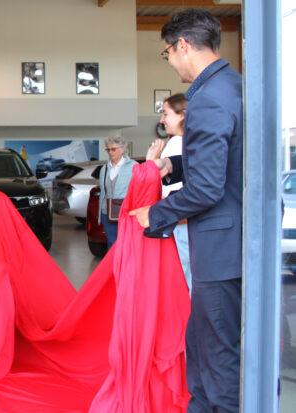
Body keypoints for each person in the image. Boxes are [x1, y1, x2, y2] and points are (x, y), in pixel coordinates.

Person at [130, 9, 243, 413]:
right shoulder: (232, 86)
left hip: (221, 250)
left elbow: (208, 187)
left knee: (217, 356)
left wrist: (155, 214)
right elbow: (227, 163)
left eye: (167, 53)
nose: (171, 61)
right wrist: (171, 165)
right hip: (230, 247)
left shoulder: (209, 100)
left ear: (182, 45)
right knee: (202, 343)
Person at [147, 93, 192, 294]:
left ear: (182, 115)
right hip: (177, 223)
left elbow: (177, 192)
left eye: (166, 114)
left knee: (182, 280)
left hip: (180, 224)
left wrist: (151, 163)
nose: (162, 119)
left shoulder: (178, 145)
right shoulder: (181, 143)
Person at [98, 136, 137, 250]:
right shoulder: (104, 168)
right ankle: (113, 267)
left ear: (122, 149)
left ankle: (123, 267)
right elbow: (102, 191)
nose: (110, 152)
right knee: (112, 242)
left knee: (125, 243)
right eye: (108, 150)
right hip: (107, 211)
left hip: (126, 212)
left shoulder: (133, 167)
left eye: (113, 149)